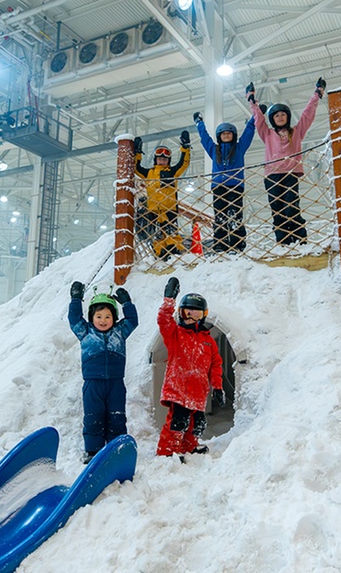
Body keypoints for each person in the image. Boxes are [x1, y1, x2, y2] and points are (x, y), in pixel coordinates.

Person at [246, 77, 326, 245]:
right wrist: (252, 100)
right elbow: (258, 119)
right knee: (277, 210)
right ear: (272, 119)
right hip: (272, 176)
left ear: (287, 116)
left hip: (290, 174)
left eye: (283, 114)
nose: (280, 117)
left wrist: (317, 94)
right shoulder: (267, 134)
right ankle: (283, 242)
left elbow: (307, 115)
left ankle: (300, 240)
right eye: (277, 115)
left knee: (291, 207)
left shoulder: (296, 132)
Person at [68, 281, 139, 464]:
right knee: (93, 417)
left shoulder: (120, 332)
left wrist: (127, 303)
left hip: (115, 383)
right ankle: (93, 451)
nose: (103, 320)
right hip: (93, 384)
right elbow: (74, 319)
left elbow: (132, 321)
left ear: (114, 318)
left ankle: (116, 449)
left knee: (117, 416)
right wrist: (76, 299)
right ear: (92, 317)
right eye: (99, 316)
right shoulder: (85, 332)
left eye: (108, 316)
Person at [156, 276, 226, 458]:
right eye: (187, 313)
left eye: (196, 314)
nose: (191, 318)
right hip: (178, 389)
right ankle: (168, 452)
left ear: (203, 316)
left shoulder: (208, 341)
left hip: (198, 391)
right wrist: (168, 301)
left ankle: (188, 448)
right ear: (180, 313)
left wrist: (217, 386)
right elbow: (163, 320)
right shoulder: (175, 334)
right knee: (178, 422)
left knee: (197, 424)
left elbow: (215, 364)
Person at [193, 112, 255, 253]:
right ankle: (220, 244)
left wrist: (255, 118)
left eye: (229, 133)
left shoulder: (239, 148)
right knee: (220, 216)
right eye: (223, 134)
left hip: (235, 185)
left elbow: (249, 133)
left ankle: (236, 244)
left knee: (234, 215)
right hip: (219, 187)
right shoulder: (214, 150)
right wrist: (199, 123)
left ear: (234, 135)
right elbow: (205, 138)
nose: (226, 136)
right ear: (219, 136)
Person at [134, 131, 191, 259]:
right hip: (153, 210)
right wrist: (137, 152)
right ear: (155, 160)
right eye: (160, 159)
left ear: (168, 161)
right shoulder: (148, 173)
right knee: (157, 235)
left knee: (171, 233)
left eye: (164, 160)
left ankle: (174, 254)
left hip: (169, 209)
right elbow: (136, 168)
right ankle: (160, 255)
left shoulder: (172, 172)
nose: (162, 161)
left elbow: (183, 163)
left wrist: (185, 147)